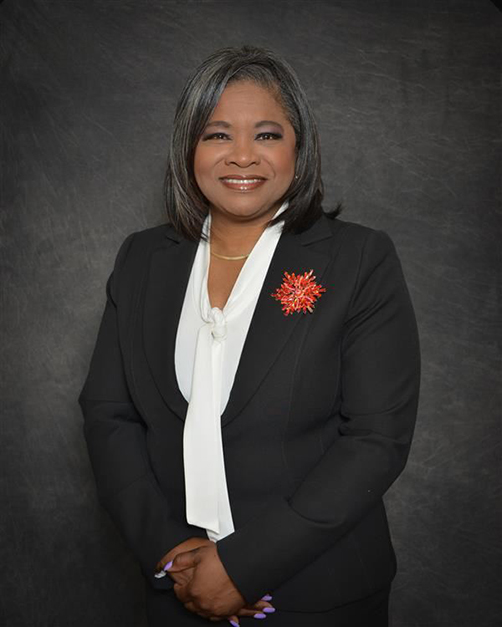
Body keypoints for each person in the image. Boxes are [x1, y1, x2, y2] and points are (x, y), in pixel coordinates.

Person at [78, 45, 421, 627]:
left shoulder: (359, 258)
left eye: (266, 134)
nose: (242, 155)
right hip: (178, 590)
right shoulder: (141, 258)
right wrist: (169, 551)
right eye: (217, 135)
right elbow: (109, 414)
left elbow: (375, 438)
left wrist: (241, 567)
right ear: (188, 149)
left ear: (298, 148)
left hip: (319, 596)